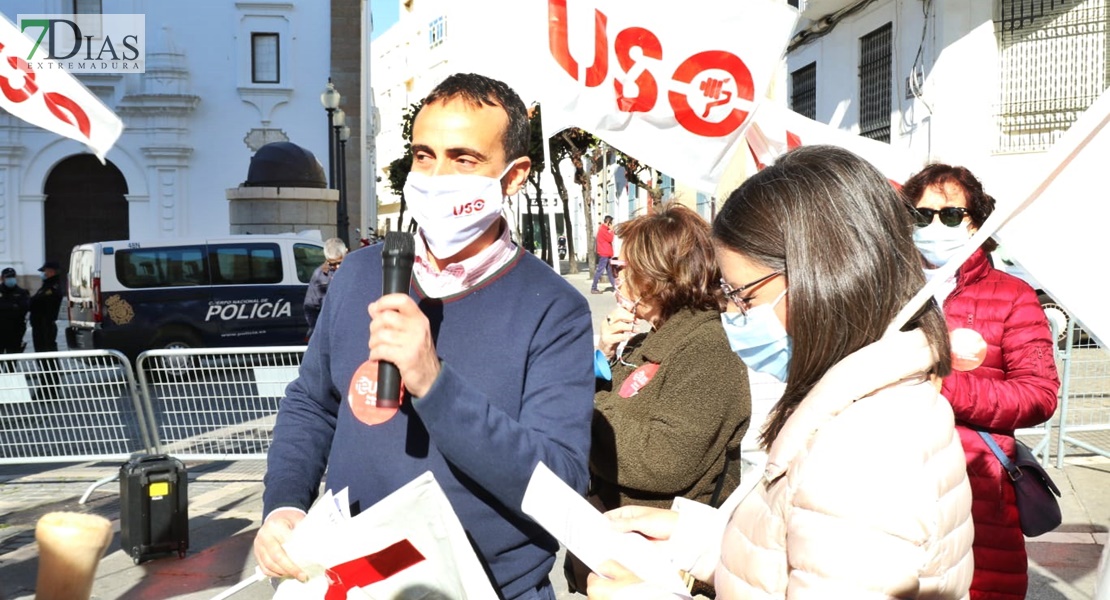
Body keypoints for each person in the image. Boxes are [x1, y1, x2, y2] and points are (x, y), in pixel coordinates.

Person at [254, 73, 595, 600]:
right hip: (352, 580)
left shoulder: (555, 309)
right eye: (422, 155)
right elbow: (312, 403)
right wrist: (284, 504)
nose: (436, 177)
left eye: (463, 159)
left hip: (489, 588)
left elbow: (560, 484)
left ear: (514, 175)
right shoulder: (360, 274)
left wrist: (434, 384)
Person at [587, 145, 975, 599]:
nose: (731, 312)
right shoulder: (857, 404)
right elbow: (796, 556)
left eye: (743, 296)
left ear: (825, 277)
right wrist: (696, 538)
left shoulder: (862, 455)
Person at [567, 203, 751, 594]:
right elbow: (613, 399)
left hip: (659, 566)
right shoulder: (651, 338)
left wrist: (585, 405)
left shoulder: (709, 350)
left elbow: (662, 461)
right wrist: (604, 353)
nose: (618, 276)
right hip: (618, 552)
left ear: (661, 278)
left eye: (625, 268)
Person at [903, 163, 1060, 600]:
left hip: (979, 491)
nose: (935, 225)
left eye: (951, 214)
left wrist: (944, 386)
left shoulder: (1012, 295)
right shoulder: (888, 291)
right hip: (894, 484)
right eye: (922, 215)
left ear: (976, 221)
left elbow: (1039, 394)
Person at [302, 237, 348, 339]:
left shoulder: (354, 271)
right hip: (327, 330)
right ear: (326, 259)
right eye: (332, 264)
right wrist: (317, 330)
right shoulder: (319, 275)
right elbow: (310, 306)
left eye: (339, 263)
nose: (337, 267)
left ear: (346, 252)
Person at [30, 261, 63, 352]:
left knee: (47, 351)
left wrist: (30, 301)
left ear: (52, 272)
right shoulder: (46, 285)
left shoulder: (53, 288)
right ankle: (43, 366)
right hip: (39, 324)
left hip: (46, 324)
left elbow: (39, 301)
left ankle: (50, 366)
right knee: (40, 351)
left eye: (45, 271)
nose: (43, 274)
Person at [0, 267, 30, 354]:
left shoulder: (22, 292)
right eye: (8, 277)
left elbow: (24, 308)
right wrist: (13, 306)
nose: (10, 279)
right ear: (2, 278)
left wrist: (5, 307)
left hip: (15, 331)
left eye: (12, 277)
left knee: (12, 359)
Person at [590, 215, 616, 294]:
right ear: (608, 222)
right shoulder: (603, 230)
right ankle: (594, 288)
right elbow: (610, 239)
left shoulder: (603, 229)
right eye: (611, 223)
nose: (612, 225)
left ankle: (615, 287)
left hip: (606, 254)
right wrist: (612, 231)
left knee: (610, 271)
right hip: (604, 254)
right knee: (600, 271)